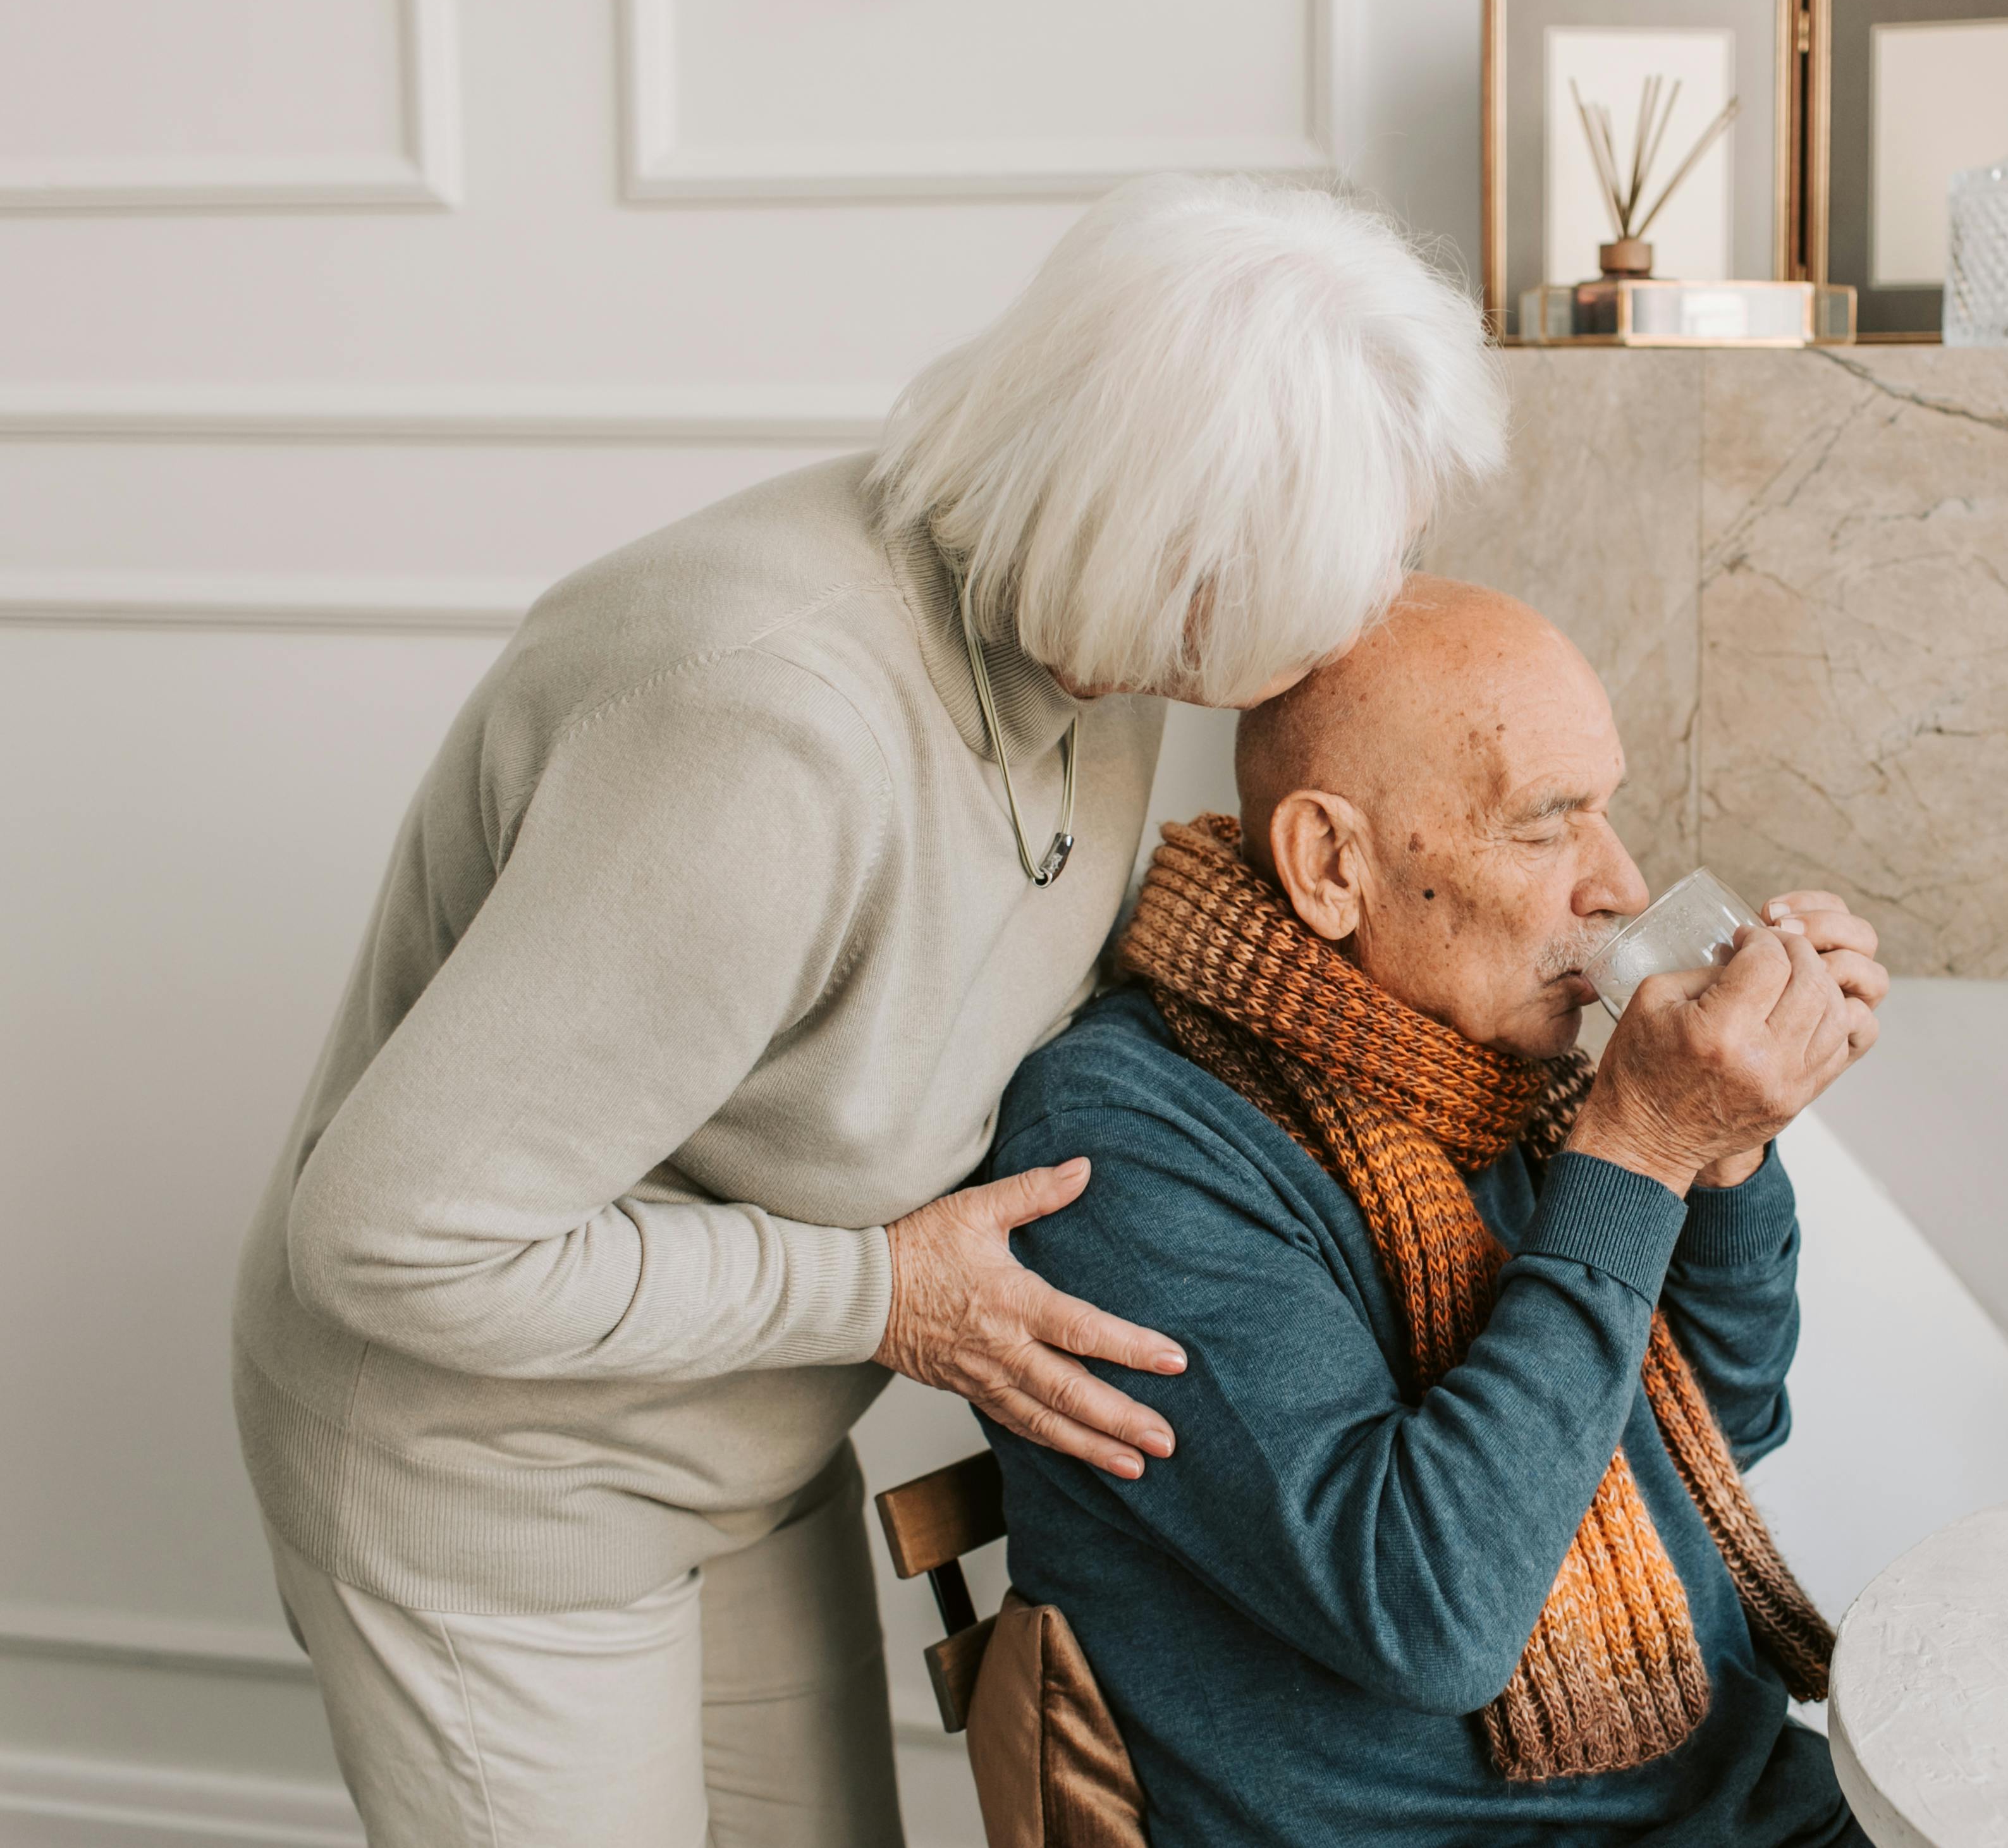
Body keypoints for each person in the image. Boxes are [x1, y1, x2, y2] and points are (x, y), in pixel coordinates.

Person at [228, 177, 1505, 1848]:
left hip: (745, 1441)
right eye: (1359, 557)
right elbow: (397, 1244)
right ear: (1178, 543)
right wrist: (883, 1292)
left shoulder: (1103, 658)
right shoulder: (762, 725)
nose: (1377, 602)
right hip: (494, 1488)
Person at [982, 580, 1890, 1847]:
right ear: (1331, 864)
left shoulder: (1486, 1076)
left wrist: (1723, 1152)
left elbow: (1709, 1434)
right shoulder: (1125, 1148)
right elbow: (1433, 1616)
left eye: (1605, 810)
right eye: (1546, 823)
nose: (1616, 881)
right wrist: (1635, 1152)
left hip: (1729, 1803)